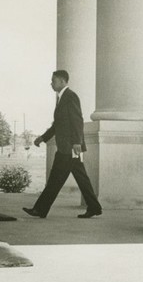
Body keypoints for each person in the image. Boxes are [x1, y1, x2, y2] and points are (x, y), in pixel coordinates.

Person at [23, 70, 102, 219]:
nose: (51, 84)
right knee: (78, 178)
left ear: (62, 81)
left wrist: (77, 142)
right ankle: (94, 207)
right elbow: (57, 125)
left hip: (70, 148)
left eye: (53, 81)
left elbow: (77, 120)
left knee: (55, 180)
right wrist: (42, 138)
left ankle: (40, 209)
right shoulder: (62, 98)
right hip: (67, 148)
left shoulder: (70, 97)